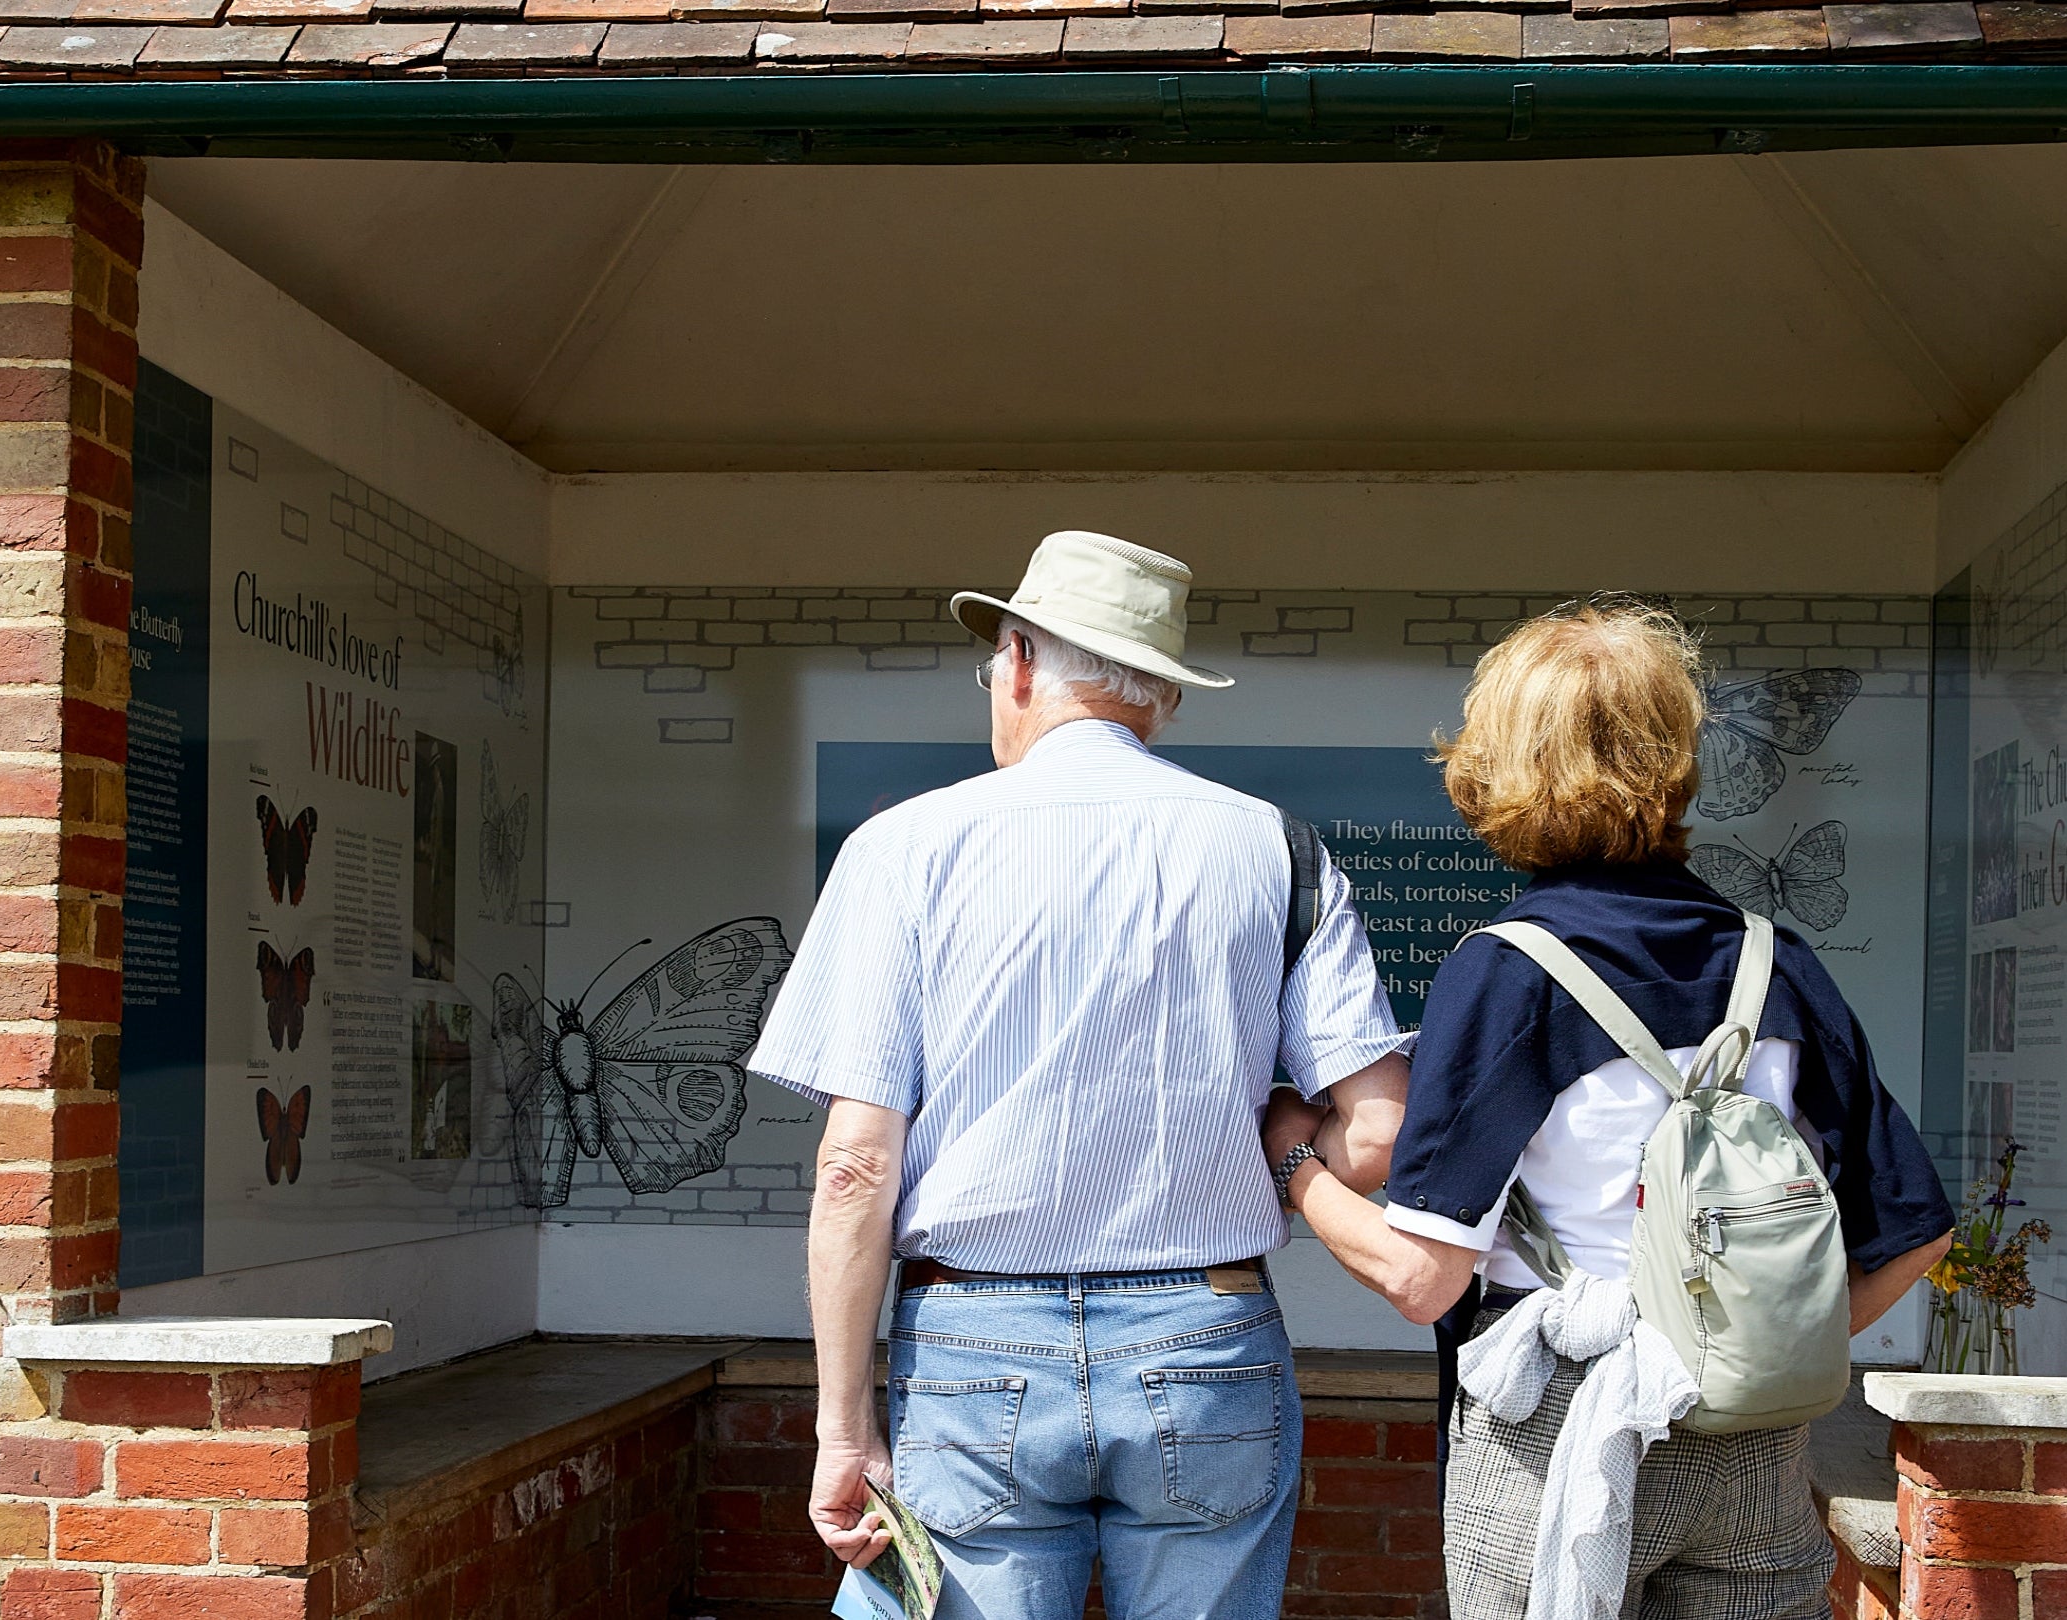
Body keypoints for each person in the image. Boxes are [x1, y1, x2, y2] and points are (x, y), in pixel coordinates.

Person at [747, 530, 1414, 1620]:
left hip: (972, 1348)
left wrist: (842, 1428)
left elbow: (856, 1169)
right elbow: (1378, 1136)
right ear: (1164, 697)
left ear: (1016, 659)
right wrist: (1286, 1142)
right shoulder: (1277, 849)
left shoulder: (901, 849)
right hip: (1209, 1341)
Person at [1268, 599, 1954, 1620]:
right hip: (1754, 1436)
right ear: (1676, 758)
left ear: (1501, 765)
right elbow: (1919, 1231)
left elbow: (1421, 1278)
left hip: (1558, 1424)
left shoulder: (1508, 974)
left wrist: (1295, 1164)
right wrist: (1755, 1351)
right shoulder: (1779, 965)